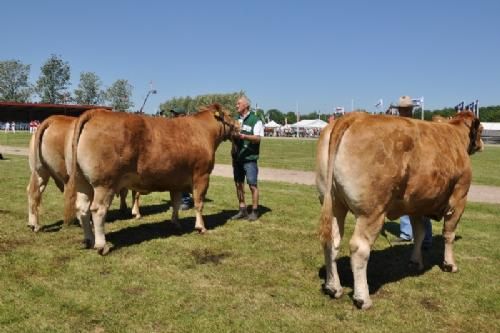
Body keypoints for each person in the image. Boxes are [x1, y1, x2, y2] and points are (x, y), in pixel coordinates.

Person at [394, 96, 432, 249]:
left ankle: (427, 239)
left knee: (421, 205)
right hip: (401, 166)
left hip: (418, 167)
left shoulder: (419, 125)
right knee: (403, 201)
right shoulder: (395, 125)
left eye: (407, 109)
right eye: (402, 109)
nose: (405, 111)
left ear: (411, 109)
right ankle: (406, 234)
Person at [230, 95, 264, 221]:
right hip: (237, 158)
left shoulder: (256, 120)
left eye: (238, 103)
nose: (236, 105)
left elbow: (257, 138)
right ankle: (242, 209)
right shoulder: (235, 119)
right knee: (238, 184)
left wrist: (243, 137)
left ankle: (255, 210)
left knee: (252, 185)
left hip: (249, 158)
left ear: (246, 105)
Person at [169, 107, 194, 210]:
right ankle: (177, 201)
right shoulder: (175, 126)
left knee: (183, 179)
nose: (173, 117)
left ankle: (186, 201)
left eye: (176, 115)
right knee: (175, 180)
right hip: (175, 157)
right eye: (173, 115)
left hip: (185, 158)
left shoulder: (188, 127)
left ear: (183, 116)